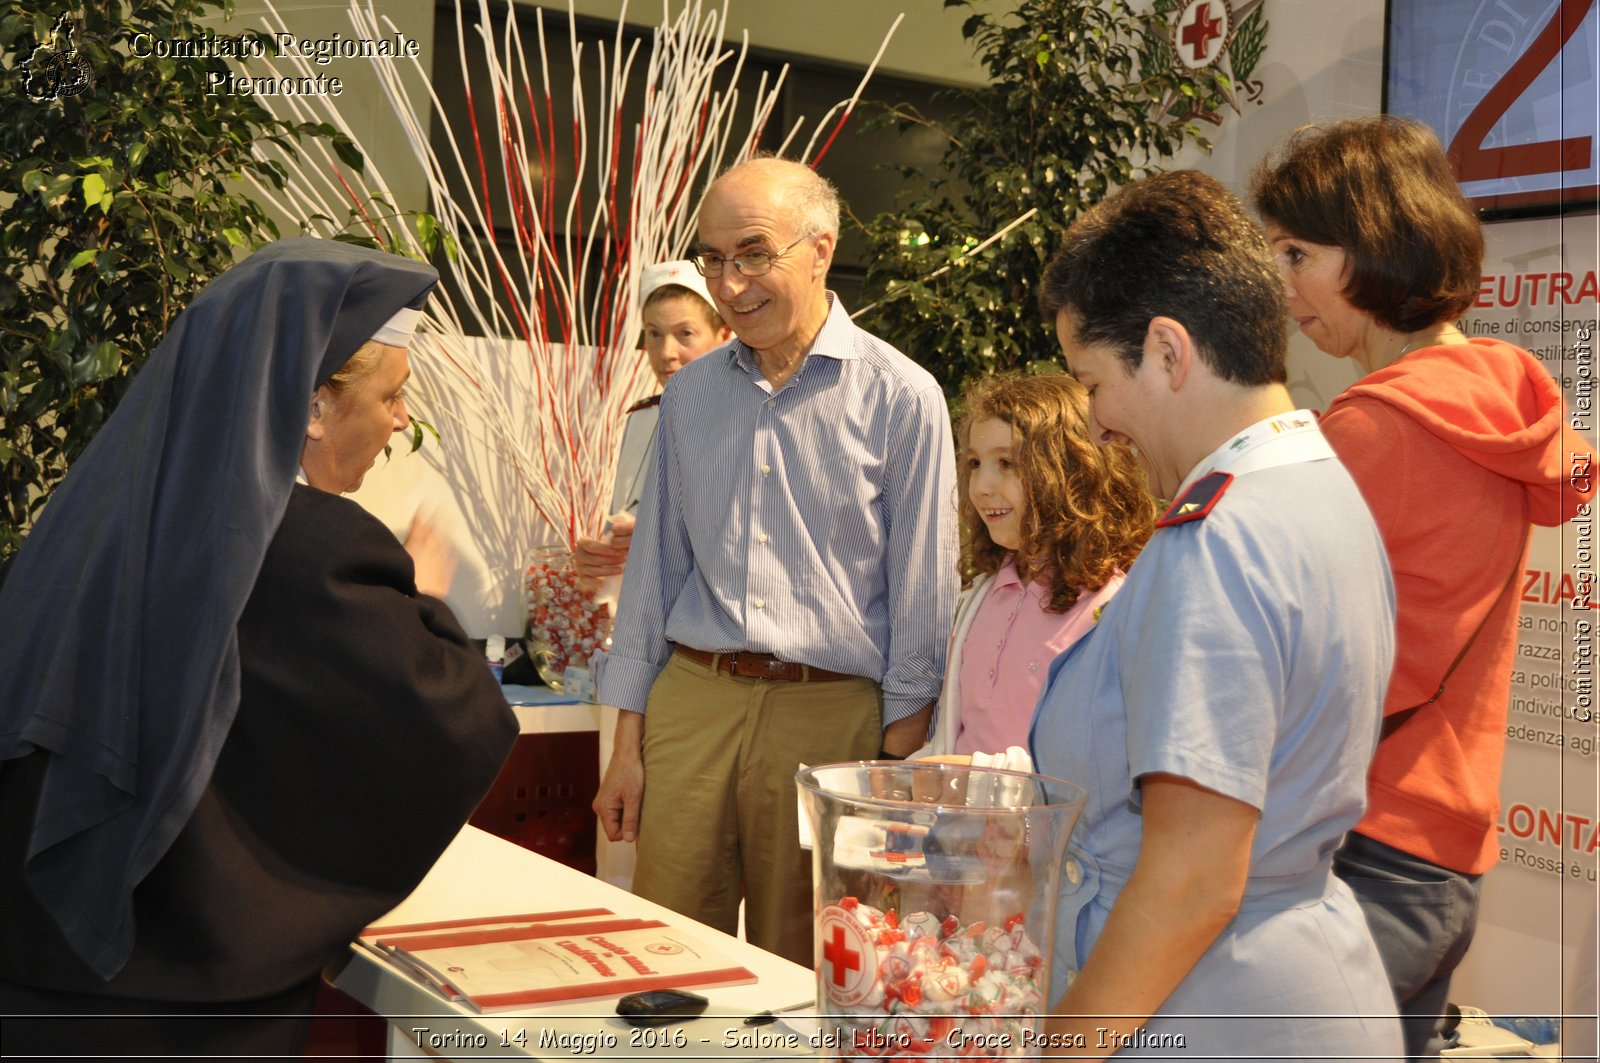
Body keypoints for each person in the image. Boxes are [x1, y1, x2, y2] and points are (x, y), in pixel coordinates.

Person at [0, 238, 518, 1059]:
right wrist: (420, 593)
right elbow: (454, 714)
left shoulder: (96, 518)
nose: (399, 420)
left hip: (38, 969)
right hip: (191, 1001)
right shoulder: (314, 547)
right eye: (393, 395)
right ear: (311, 405)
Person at [1031, 170, 1403, 1060]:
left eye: (1091, 382)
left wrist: (1064, 1049)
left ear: (1168, 351)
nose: (1093, 422)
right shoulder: (1318, 486)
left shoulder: (1216, 538)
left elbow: (1193, 880)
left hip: (1216, 1006)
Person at [1251, 115, 1597, 1060]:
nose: (1283, 288)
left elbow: (1298, 659)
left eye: (1297, 254)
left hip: (1356, 838)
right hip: (1446, 855)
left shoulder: (1378, 430)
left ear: (1371, 248)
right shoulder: (1500, 400)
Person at [590, 156, 958, 966]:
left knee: (812, 962)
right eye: (715, 259)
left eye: (753, 253)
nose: (730, 284)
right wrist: (626, 745)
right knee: (667, 953)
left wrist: (893, 765)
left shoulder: (903, 396)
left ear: (819, 249)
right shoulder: (688, 399)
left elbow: (922, 598)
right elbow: (654, 576)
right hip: (692, 700)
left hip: (832, 715)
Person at [914, 372, 1154, 760]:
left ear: (1072, 472)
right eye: (975, 463)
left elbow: (1100, 765)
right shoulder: (978, 597)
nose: (981, 486)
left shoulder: (1114, 606)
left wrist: (969, 777)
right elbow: (956, 738)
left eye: (1007, 463)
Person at [573, 261, 731, 587]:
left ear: (724, 335)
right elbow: (626, 520)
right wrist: (598, 561)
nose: (666, 353)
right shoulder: (641, 420)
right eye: (654, 334)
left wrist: (656, 544)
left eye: (685, 334)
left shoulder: (749, 421)